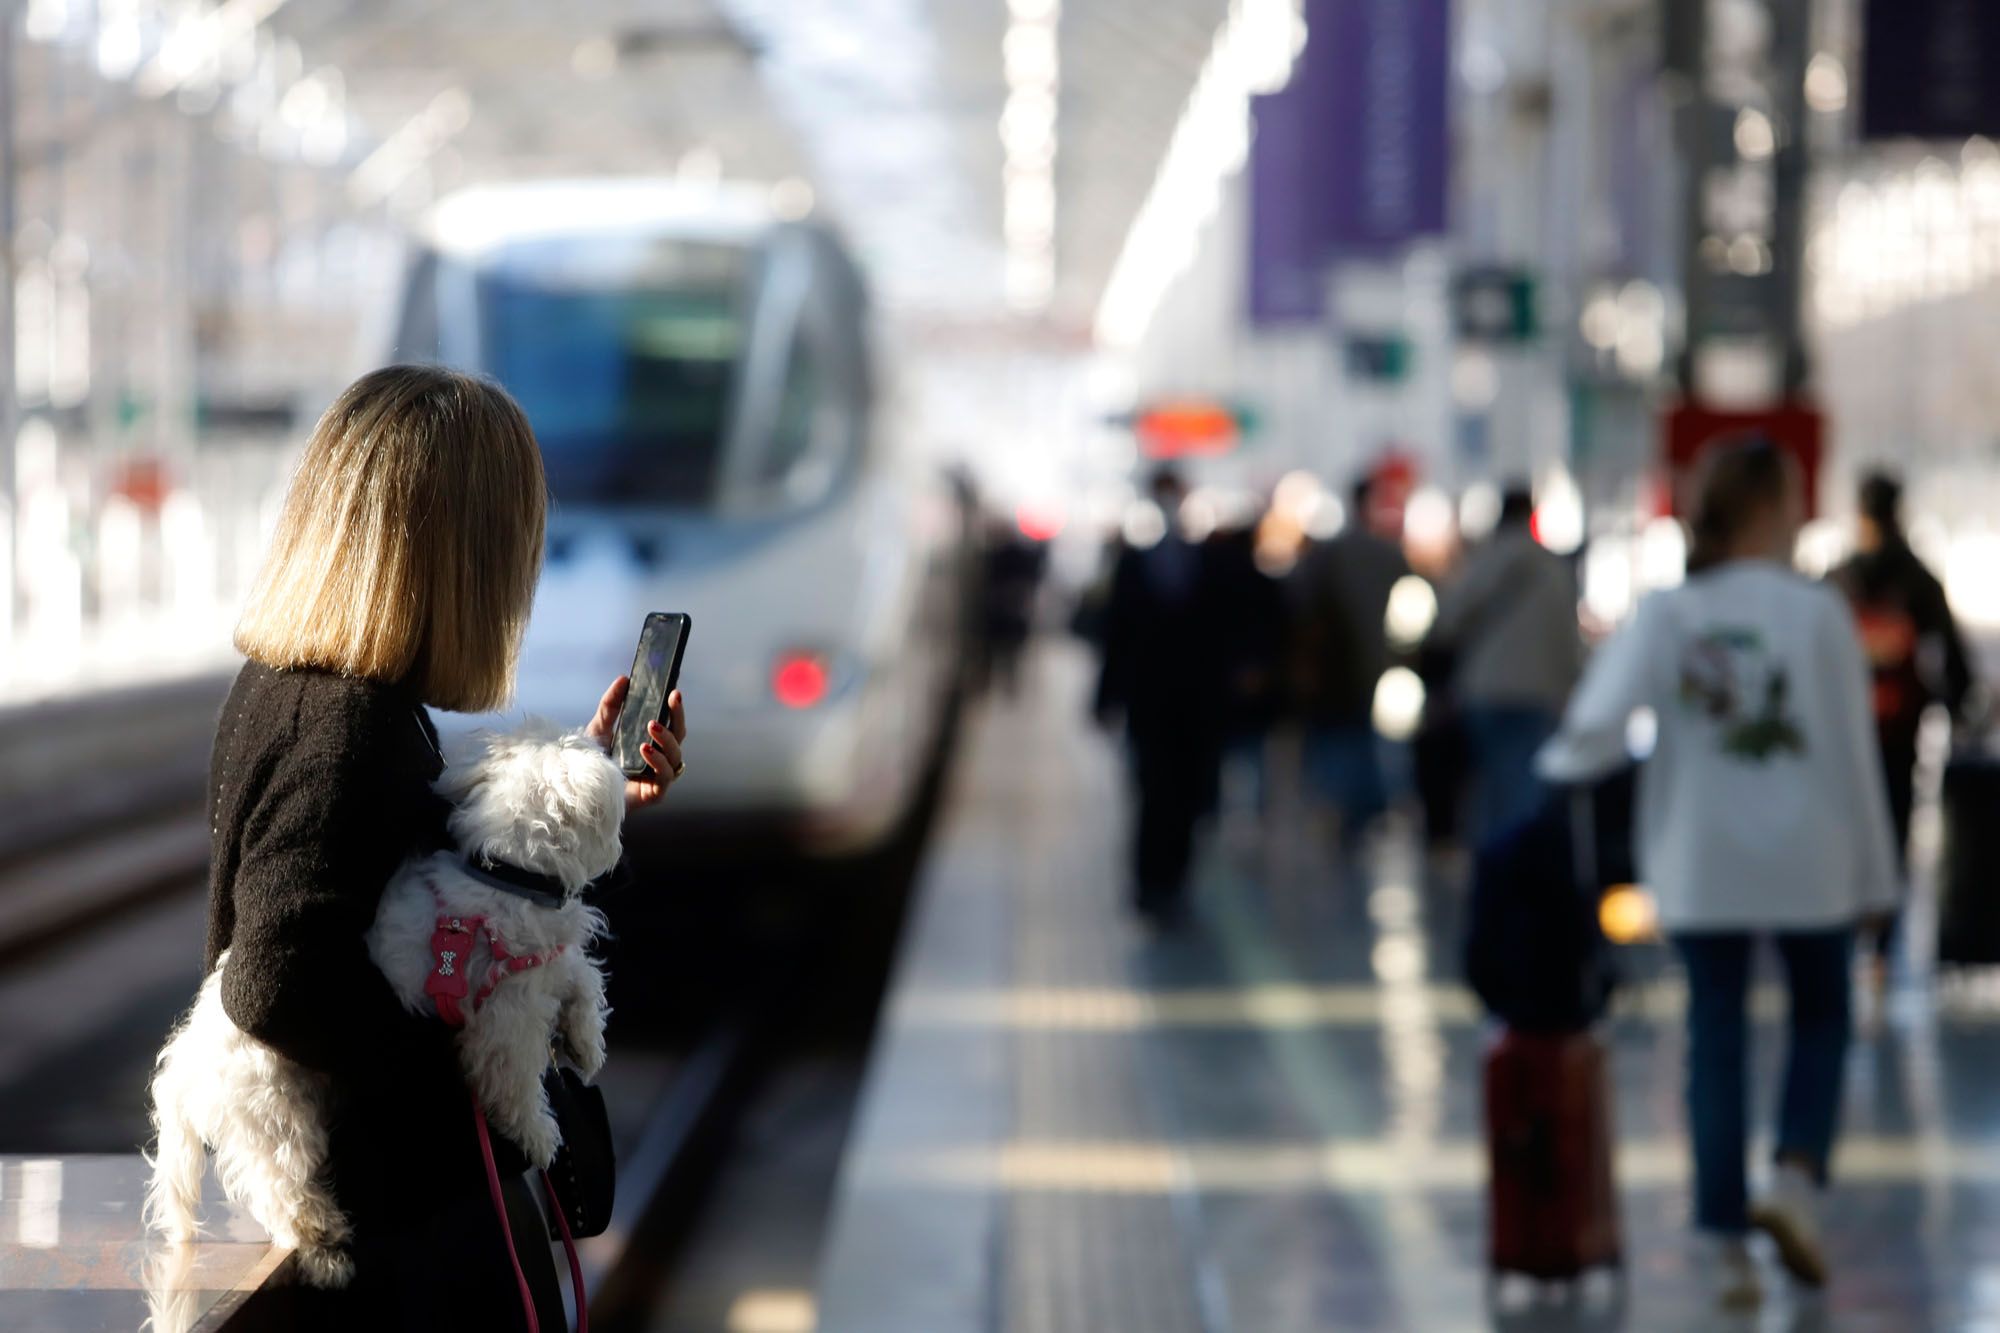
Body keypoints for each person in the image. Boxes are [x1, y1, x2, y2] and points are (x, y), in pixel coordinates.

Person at [205, 365, 687, 1327]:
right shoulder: (345, 729)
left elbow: (431, 883)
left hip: (382, 1217)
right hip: (391, 1242)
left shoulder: (308, 690)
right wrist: (468, 1079)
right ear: (459, 552)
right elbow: (275, 982)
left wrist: (585, 793)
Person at [1538, 439, 1897, 1310]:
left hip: (1700, 860)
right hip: (1813, 858)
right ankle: (1795, 1182)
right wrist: (1879, 879)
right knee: (1821, 1013)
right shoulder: (1817, 614)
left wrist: (1549, 782)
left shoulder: (1670, 611)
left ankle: (1721, 1239)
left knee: (1717, 1037)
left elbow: (1594, 725)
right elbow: (1856, 753)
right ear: (1771, 507)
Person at [1827, 469, 1976, 980]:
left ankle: (1844, 934)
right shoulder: (1918, 578)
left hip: (1842, 733)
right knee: (1893, 831)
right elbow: (1951, 659)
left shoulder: (1838, 577)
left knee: (1843, 833)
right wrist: (1959, 711)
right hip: (1900, 732)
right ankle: (1880, 951)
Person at [1093, 467, 1227, 922]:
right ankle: (1149, 883)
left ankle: (1176, 879)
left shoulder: (1211, 562)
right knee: (1152, 794)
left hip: (1195, 706)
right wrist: (1106, 697)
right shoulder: (1134, 563)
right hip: (1149, 704)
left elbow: (1227, 635)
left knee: (1187, 797)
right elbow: (1116, 634)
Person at [1427, 484, 1582, 843]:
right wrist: (1571, 684)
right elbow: (1566, 637)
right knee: (1525, 783)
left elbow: (1449, 619)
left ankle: (1492, 860)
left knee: (1489, 784)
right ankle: (1518, 861)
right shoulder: (1552, 568)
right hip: (1538, 691)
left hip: (1485, 688)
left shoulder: (1485, 561)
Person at [1287, 475, 1409, 843]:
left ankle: (1348, 806)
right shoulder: (1382, 554)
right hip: (1365, 662)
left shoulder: (1333, 554)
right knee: (1361, 736)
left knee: (1347, 738)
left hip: (1345, 666)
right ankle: (1362, 806)